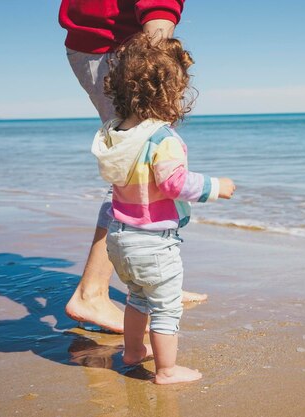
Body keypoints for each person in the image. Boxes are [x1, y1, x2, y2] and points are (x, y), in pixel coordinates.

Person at [92, 33, 235, 383]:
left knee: (137, 298)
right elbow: (175, 183)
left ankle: (133, 351)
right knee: (166, 306)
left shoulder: (117, 133)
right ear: (170, 94)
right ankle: (167, 371)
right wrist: (217, 187)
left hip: (119, 238)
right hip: (153, 242)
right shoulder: (162, 139)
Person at [59, 0, 206, 333]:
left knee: (144, 164)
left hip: (110, 44)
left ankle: (156, 281)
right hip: (113, 48)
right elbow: (158, 7)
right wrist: (158, 65)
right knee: (139, 169)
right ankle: (92, 293)